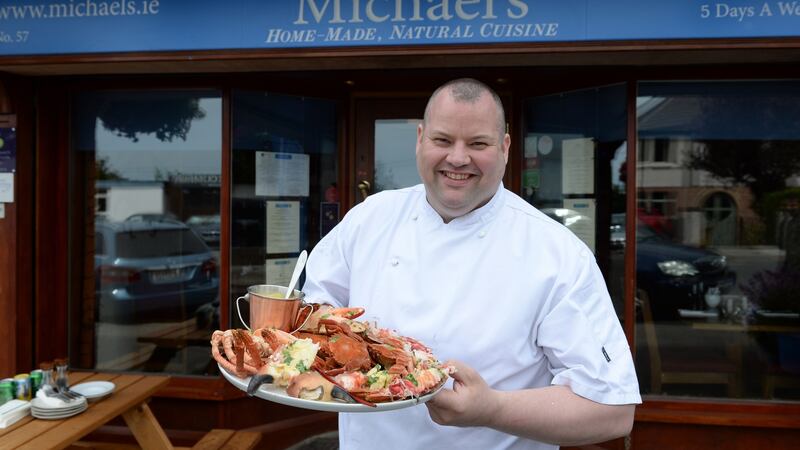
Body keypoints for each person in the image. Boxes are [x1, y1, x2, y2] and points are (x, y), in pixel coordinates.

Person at [303, 78, 641, 450]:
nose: (458, 158)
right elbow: (312, 317)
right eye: (443, 140)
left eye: (478, 144)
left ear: (505, 147)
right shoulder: (369, 219)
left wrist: (492, 409)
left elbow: (613, 410)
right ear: (420, 139)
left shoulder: (557, 253)